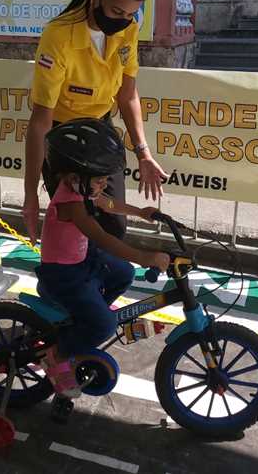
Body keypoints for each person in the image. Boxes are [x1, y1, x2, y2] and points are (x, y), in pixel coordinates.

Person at [24, 0, 168, 244]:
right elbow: (40, 122)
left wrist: (144, 153)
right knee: (75, 231)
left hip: (101, 134)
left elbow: (127, 95)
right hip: (64, 140)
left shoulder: (128, 29)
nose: (123, 20)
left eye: (131, 14)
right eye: (117, 11)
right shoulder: (59, 36)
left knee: (114, 229)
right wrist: (29, 198)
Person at [36, 118, 170, 398]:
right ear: (75, 178)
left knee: (123, 274)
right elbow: (104, 238)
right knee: (106, 325)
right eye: (100, 180)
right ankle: (57, 355)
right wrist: (145, 257)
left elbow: (107, 203)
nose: (105, 184)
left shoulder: (81, 190)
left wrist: (139, 211)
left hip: (81, 259)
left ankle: (86, 320)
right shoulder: (71, 205)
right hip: (64, 276)